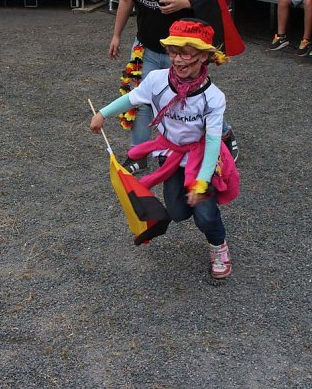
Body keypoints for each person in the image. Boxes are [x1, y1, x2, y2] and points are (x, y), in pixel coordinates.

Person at [90, 19, 240, 280]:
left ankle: (218, 246)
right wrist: (103, 113)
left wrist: (202, 183)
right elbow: (131, 99)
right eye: (173, 52)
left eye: (186, 53)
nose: (178, 60)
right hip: (171, 157)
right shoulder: (157, 80)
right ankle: (196, 206)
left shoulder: (213, 97)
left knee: (204, 215)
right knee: (178, 212)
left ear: (204, 56)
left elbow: (213, 142)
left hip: (201, 161)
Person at [107, 0, 245, 172]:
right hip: (147, 46)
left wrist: (184, 2)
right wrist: (116, 35)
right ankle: (137, 155)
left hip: (183, 52)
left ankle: (224, 132)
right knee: (142, 100)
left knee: (192, 102)